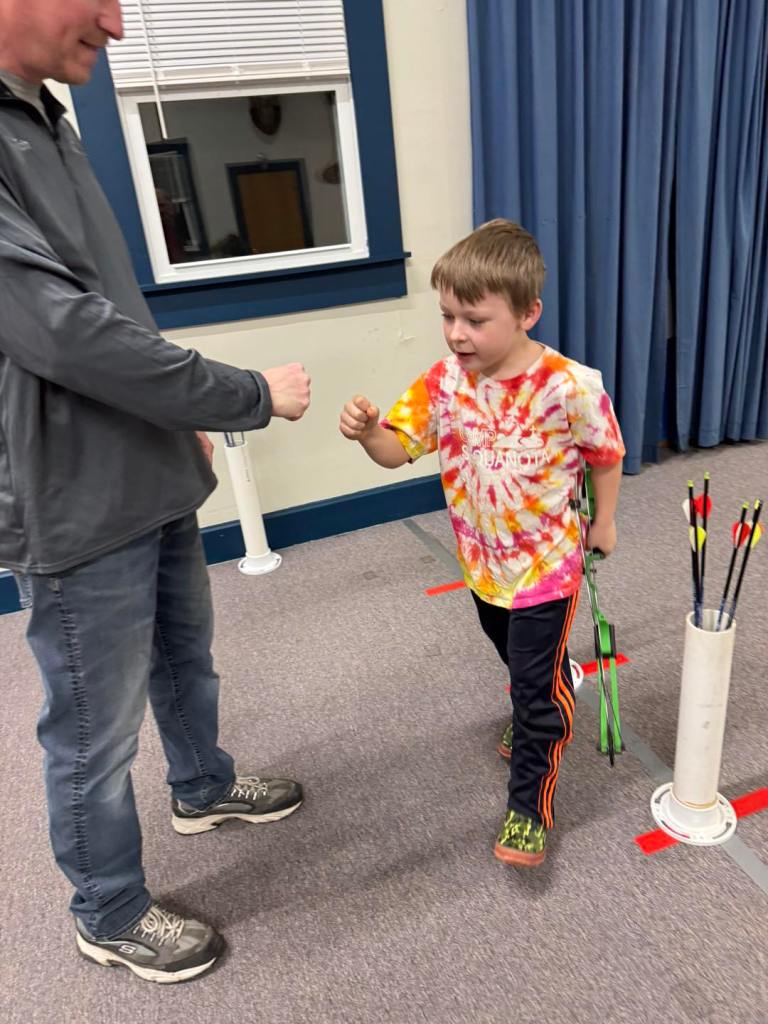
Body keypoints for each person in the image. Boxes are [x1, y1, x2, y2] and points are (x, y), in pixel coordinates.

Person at [0, 0, 311, 984]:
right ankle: (109, 908)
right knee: (93, 723)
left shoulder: (46, 117)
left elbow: (108, 302)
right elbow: (61, 334)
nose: (121, 25)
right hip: (74, 499)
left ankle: (203, 785)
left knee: (186, 654)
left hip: (147, 468)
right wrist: (247, 395)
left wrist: (181, 422)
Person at [340, 219, 624, 868]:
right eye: (447, 316)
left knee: (531, 695)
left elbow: (605, 455)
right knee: (511, 654)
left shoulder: (570, 385)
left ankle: (529, 806)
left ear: (528, 313)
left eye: (474, 319)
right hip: (483, 564)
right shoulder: (444, 382)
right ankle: (557, 678)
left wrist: (604, 520)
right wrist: (365, 434)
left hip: (547, 568)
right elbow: (395, 450)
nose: (457, 333)